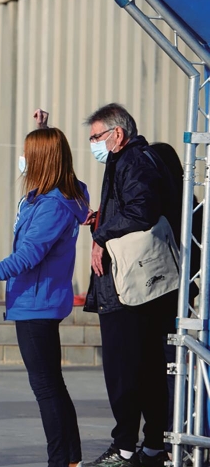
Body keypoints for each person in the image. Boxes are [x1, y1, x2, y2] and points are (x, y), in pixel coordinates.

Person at [0, 127, 89, 467]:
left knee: (46, 388)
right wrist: (45, 125)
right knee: (53, 385)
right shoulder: (61, 196)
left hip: (36, 304)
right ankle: (71, 459)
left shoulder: (52, 207)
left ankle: (60, 460)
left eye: (28, 155)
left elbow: (28, 255)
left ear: (40, 161)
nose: (23, 161)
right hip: (39, 301)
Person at [81, 103, 178, 467]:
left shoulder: (132, 161)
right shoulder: (131, 161)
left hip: (130, 285)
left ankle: (124, 448)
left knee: (124, 369)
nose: (93, 144)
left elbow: (141, 210)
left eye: (96, 137)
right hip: (144, 283)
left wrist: (101, 234)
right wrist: (101, 220)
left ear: (116, 134)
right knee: (148, 366)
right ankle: (152, 446)